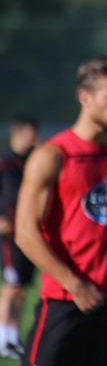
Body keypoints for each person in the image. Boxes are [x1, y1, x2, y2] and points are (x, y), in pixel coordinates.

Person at [15, 57, 107, 366]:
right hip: (66, 302)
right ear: (85, 97)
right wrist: (74, 284)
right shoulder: (52, 156)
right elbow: (26, 233)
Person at [0, 115, 39, 359]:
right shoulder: (4, 164)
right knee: (12, 286)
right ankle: (4, 337)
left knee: (22, 288)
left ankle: (13, 336)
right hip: (9, 236)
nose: (34, 138)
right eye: (30, 133)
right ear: (18, 134)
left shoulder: (34, 163)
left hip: (30, 234)